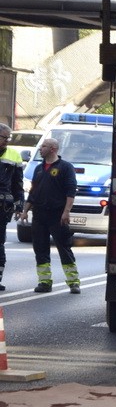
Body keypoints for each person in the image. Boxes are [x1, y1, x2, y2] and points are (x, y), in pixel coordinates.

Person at [18, 138, 79, 294]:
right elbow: (33, 193)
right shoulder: (39, 168)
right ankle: (44, 282)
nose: (40, 149)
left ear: (53, 149)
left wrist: (66, 212)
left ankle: (73, 282)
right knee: (40, 249)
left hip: (57, 215)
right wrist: (25, 211)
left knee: (64, 248)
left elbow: (70, 191)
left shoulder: (65, 167)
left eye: (43, 146)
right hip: (39, 215)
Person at [0, 124, 25, 291]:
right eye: (4, 138)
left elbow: (18, 183)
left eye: (9, 138)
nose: (7, 141)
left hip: (3, 206)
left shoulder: (14, 155)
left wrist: (19, 205)